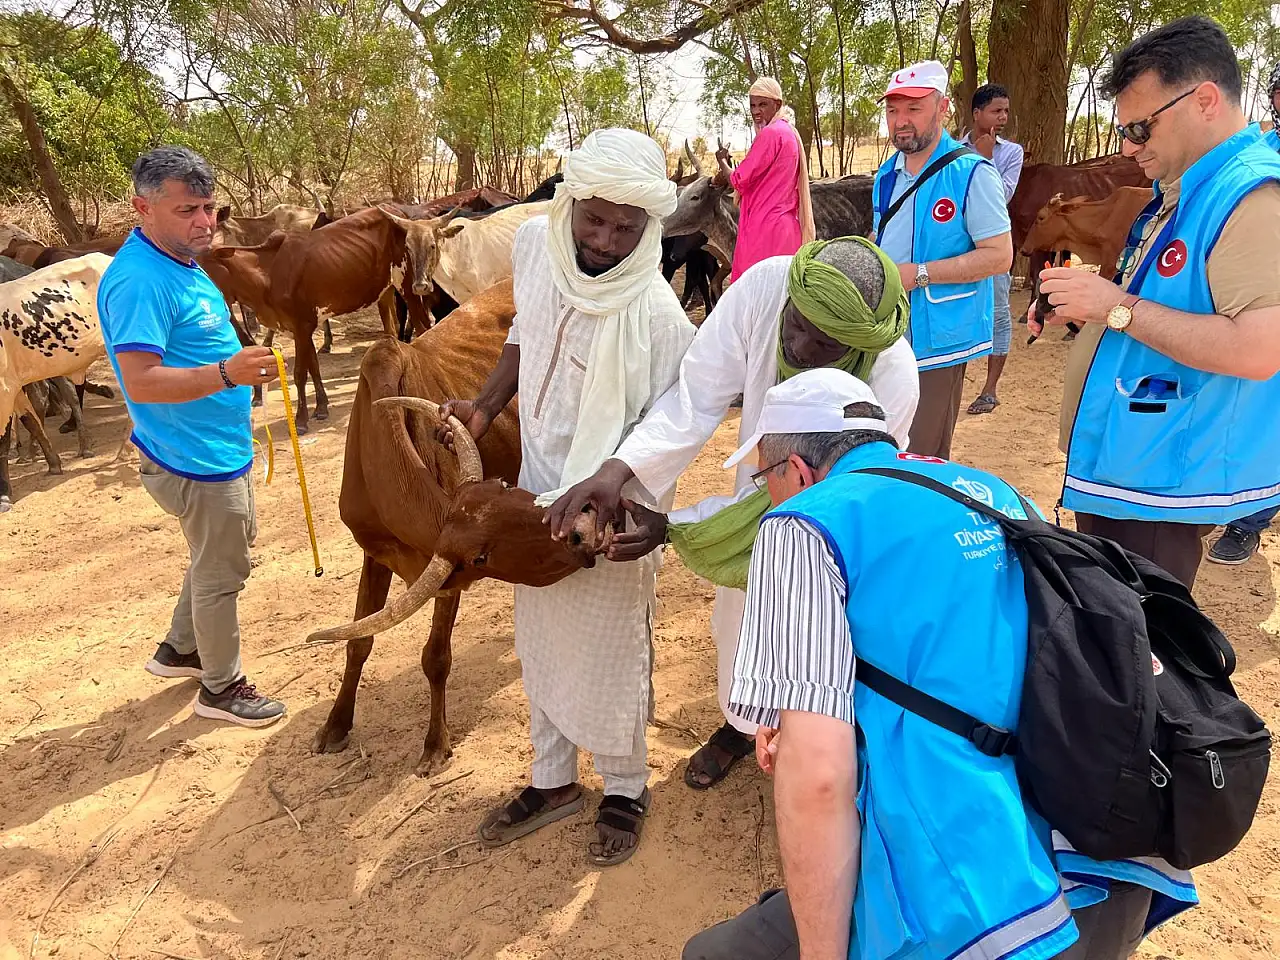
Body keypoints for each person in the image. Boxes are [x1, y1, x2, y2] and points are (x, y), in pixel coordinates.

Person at [682, 368, 1197, 960]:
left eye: (763, 478)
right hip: (1109, 855)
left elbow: (819, 779)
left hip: (983, 903)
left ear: (795, 471)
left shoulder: (805, 522)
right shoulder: (992, 490)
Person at [546, 236, 919, 790]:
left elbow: (819, 498)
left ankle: (818, 747)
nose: (798, 345)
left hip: (842, 517)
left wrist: (677, 529)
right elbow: (695, 398)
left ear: (858, 348)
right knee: (740, 619)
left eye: (825, 344)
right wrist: (616, 470)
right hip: (764, 486)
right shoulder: (767, 286)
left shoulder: (891, 379)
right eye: (795, 324)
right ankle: (742, 727)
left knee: (831, 630)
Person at [434, 129, 696, 866]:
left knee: (611, 649)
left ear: (649, 228)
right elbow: (527, 331)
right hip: (536, 489)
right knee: (539, 636)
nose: (606, 241)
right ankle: (552, 781)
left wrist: (628, 495)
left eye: (626, 227)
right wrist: (485, 407)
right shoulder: (535, 252)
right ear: (571, 202)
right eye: (594, 218)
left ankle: (624, 785)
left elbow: (674, 421)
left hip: (608, 507)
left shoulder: (659, 318)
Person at [1035, 16, 1280, 590]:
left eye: (1142, 127)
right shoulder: (1189, 186)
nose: (1128, 146)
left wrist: (1115, 308)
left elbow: (1260, 349)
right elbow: (1167, 297)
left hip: (1161, 488)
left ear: (1205, 101)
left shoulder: (1252, 196)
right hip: (1133, 469)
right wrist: (1088, 304)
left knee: (1142, 654)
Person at [98, 146, 285, 727]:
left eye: (209, 209)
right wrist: (228, 374)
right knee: (223, 570)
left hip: (210, 446)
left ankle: (181, 648)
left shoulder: (178, 260)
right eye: (187, 211)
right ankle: (220, 687)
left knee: (215, 556)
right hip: (192, 458)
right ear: (142, 208)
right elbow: (142, 381)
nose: (204, 223)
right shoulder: (139, 281)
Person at [871, 60, 1013, 459]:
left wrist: (918, 274)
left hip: (939, 338)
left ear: (943, 108)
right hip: (886, 331)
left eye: (914, 109)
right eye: (893, 110)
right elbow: (883, 235)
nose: (901, 121)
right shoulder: (886, 175)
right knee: (882, 441)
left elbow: (999, 256)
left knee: (921, 451)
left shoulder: (972, 173)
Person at [714, 77, 816, 281]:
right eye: (752, 105)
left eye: (762, 104)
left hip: (765, 230)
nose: (755, 111)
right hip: (786, 230)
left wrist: (722, 161)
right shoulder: (788, 132)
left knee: (756, 299)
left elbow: (739, 180)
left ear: (777, 104)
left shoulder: (771, 134)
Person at [962, 83, 1024, 415]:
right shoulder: (953, 150)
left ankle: (989, 389)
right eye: (995, 111)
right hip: (958, 248)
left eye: (1005, 112)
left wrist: (984, 161)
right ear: (977, 114)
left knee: (999, 315)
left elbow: (1004, 197)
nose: (1002, 118)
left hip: (994, 246)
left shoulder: (1011, 153)